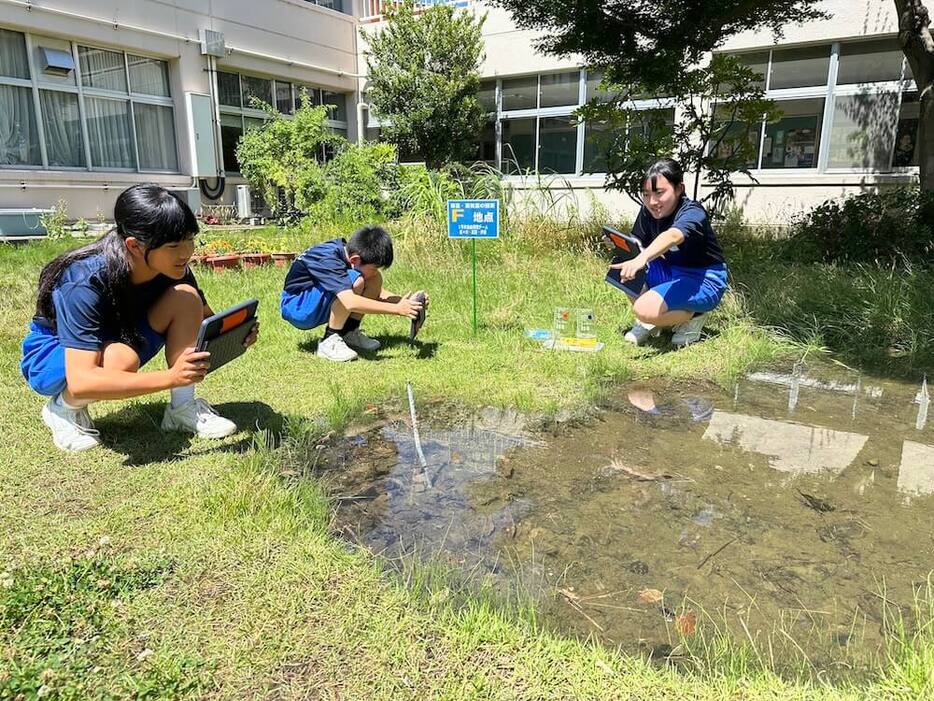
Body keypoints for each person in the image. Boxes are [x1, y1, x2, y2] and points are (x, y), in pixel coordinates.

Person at [20, 184, 259, 453]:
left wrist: (236, 334)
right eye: (173, 245)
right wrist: (171, 376)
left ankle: (182, 409)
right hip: (53, 356)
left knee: (186, 297)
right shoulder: (83, 280)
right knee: (121, 359)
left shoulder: (173, 267)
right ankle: (62, 408)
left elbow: (203, 318)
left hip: (118, 334)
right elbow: (82, 378)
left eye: (190, 239)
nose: (186, 252)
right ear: (134, 245)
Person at [610, 158, 728, 348]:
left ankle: (694, 316)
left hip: (704, 280)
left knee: (642, 308)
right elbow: (637, 242)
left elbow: (673, 236)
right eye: (646, 194)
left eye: (659, 193)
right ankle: (654, 321)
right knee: (621, 264)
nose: (652, 201)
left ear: (679, 188)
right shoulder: (649, 211)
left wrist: (642, 258)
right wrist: (619, 245)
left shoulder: (692, 212)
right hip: (672, 272)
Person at [280, 225, 426, 362]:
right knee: (357, 280)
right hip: (298, 308)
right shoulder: (328, 259)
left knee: (372, 279)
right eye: (374, 267)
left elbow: (376, 292)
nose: (375, 271)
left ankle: (349, 332)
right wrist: (398, 310)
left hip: (312, 300)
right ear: (355, 260)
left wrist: (406, 303)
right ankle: (329, 341)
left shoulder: (348, 254)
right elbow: (350, 302)